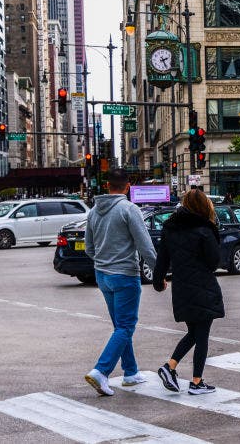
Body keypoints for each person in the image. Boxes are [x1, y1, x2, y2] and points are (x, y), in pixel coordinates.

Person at [83, 168, 159, 396]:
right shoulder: (129, 209)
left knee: (120, 327)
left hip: (102, 275)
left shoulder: (94, 212)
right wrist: (159, 272)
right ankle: (101, 371)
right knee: (126, 326)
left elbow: (89, 248)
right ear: (127, 187)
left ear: (107, 186)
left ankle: (131, 372)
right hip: (125, 275)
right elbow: (145, 245)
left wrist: (102, 262)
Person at [153, 189, 223, 396]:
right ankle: (196, 381)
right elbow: (214, 261)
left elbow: (162, 259)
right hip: (203, 286)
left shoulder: (170, 228)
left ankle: (170, 367)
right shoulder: (205, 228)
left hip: (182, 286)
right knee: (201, 336)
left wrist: (159, 281)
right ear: (204, 206)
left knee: (194, 332)